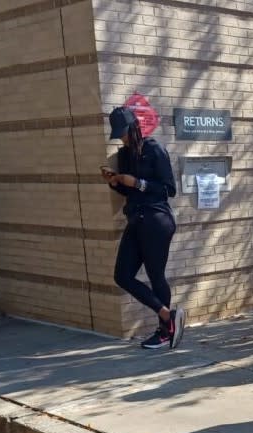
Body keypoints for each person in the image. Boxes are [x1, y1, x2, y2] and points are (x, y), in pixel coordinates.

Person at [102, 106, 184, 350]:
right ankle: (168, 316)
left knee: (155, 276)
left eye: (125, 132)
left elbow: (168, 189)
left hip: (157, 220)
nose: (123, 137)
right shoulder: (124, 155)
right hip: (136, 219)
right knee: (122, 275)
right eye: (119, 134)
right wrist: (115, 182)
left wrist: (139, 183)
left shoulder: (154, 149)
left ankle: (164, 331)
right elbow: (128, 191)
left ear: (134, 127)